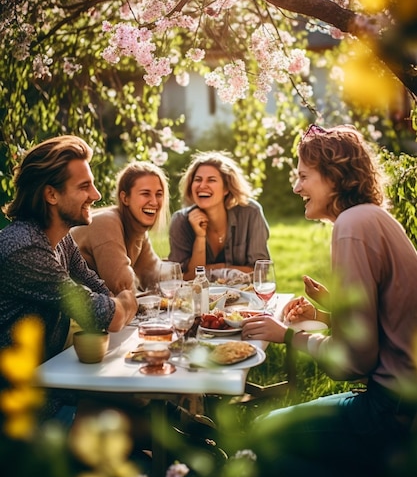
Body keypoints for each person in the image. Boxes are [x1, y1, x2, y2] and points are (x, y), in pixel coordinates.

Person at [240, 124, 417, 477]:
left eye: (304, 176)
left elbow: (354, 362)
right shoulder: (370, 218)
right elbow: (389, 323)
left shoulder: (352, 227)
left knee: (262, 435)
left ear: (334, 178)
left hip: (391, 410)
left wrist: (287, 335)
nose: (296, 187)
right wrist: (327, 316)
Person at [0, 136, 137, 421]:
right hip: (21, 409)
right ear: (51, 194)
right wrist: (125, 301)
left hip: (52, 385)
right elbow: (107, 313)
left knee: (141, 404)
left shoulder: (60, 240)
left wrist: (116, 305)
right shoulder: (23, 248)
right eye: (84, 186)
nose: (97, 194)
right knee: (132, 425)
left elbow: (97, 289)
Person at [168, 151, 270, 280]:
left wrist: (214, 268)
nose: (202, 185)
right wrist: (200, 237)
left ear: (226, 188)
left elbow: (260, 272)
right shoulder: (180, 220)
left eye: (211, 180)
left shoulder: (251, 212)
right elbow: (185, 278)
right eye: (198, 180)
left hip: (246, 296)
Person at [72, 161, 169, 294]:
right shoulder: (106, 223)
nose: (154, 201)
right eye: (145, 194)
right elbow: (122, 287)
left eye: (159, 194)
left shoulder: (138, 230)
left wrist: (186, 281)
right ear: (125, 198)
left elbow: (155, 274)